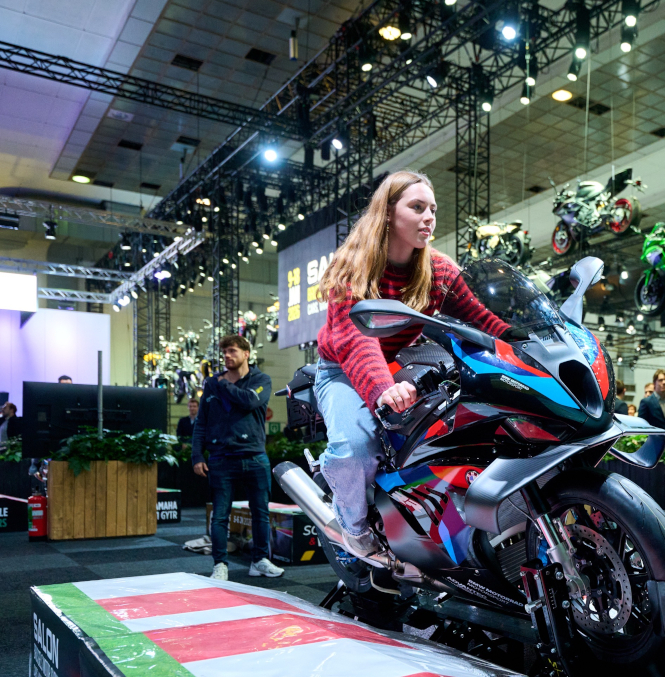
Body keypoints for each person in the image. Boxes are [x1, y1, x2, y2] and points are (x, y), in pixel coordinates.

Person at [315, 171, 511, 559]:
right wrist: (383, 389)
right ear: (388, 213)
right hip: (341, 369)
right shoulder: (352, 265)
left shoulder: (437, 270)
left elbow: (481, 319)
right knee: (354, 448)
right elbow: (356, 340)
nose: (429, 218)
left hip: (398, 363)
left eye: (433, 209)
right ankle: (354, 528)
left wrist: (528, 342)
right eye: (417, 207)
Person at [191, 334, 282, 581]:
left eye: (232, 351)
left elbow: (250, 401)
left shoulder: (261, 380)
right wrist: (197, 455)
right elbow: (201, 423)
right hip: (221, 458)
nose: (227, 356)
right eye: (225, 352)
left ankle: (259, 561)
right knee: (220, 515)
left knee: (260, 512)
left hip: (255, 456)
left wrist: (223, 385)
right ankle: (220, 565)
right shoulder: (211, 384)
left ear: (246, 354)